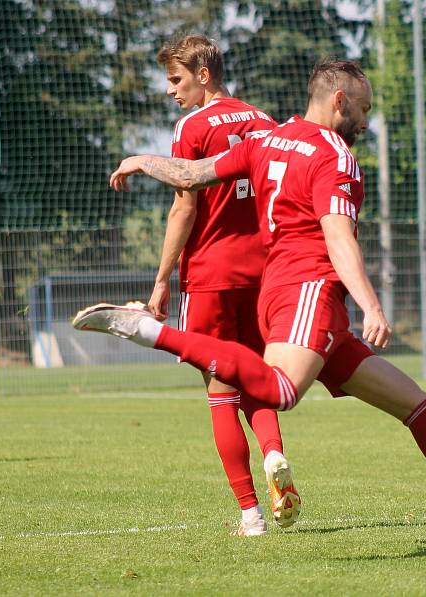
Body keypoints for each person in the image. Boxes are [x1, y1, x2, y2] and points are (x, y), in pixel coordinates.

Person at [75, 58, 426, 548]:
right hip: (311, 291)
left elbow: (190, 173)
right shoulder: (335, 156)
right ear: (339, 101)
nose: (368, 122)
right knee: (282, 392)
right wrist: (371, 305)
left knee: (419, 409)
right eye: (365, 109)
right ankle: (149, 331)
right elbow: (337, 238)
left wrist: (143, 160)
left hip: (284, 295)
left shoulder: (266, 139)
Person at [150, 34, 299, 536]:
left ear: (203, 75)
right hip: (264, 273)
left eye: (176, 79)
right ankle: (274, 453)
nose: (171, 90)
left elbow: (184, 206)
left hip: (210, 275)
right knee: (259, 376)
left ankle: (251, 515)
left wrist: (162, 278)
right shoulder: (264, 122)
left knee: (220, 392)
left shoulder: (190, 127)